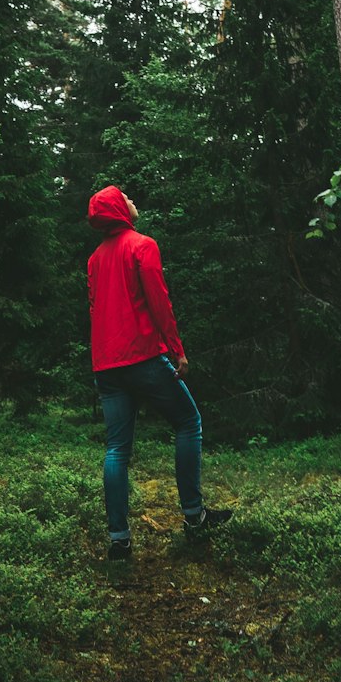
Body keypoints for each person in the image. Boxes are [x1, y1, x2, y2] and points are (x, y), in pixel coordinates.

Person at [87, 184, 232, 560]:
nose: (134, 202)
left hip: (106, 364)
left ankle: (119, 539)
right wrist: (177, 351)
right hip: (143, 358)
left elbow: (95, 309)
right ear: (120, 209)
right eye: (128, 198)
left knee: (117, 448)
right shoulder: (142, 245)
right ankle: (194, 517)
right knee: (189, 422)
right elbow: (159, 301)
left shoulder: (94, 259)